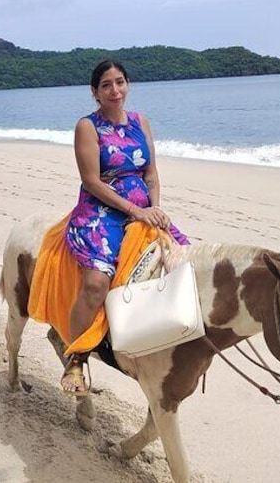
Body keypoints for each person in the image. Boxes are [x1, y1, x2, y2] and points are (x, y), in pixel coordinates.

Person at [60, 59, 189, 396]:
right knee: (97, 281)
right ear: (95, 92)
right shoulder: (87, 127)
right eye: (106, 85)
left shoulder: (140, 122)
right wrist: (134, 210)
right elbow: (90, 181)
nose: (115, 90)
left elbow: (151, 174)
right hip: (101, 211)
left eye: (120, 82)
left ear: (127, 85)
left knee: (183, 263)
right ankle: (76, 358)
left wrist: (154, 208)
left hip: (143, 209)